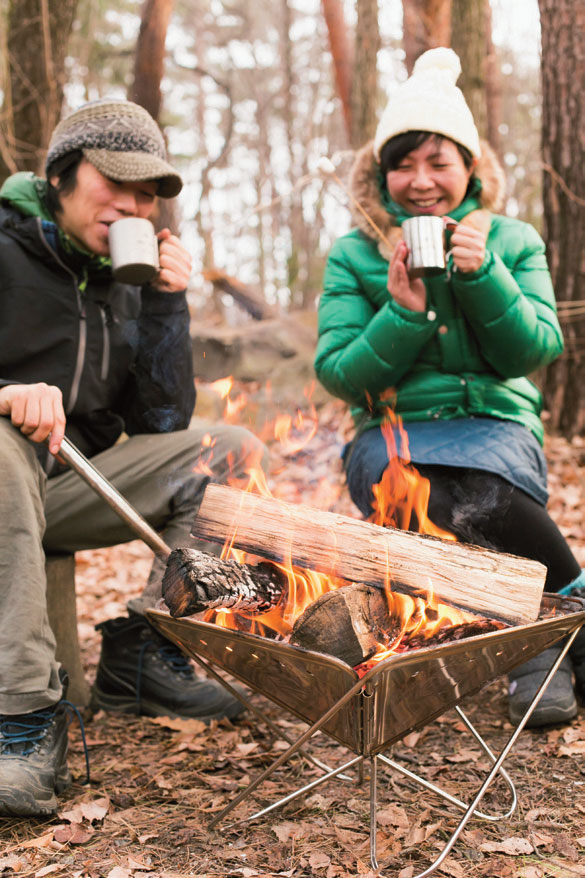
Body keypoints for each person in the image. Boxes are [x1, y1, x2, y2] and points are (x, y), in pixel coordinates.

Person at [0, 99, 268, 817]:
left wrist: (165, 307)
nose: (131, 205)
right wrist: (6, 392)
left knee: (228, 449)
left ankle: (147, 649)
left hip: (68, 483)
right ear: (60, 176)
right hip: (1, 472)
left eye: (146, 193)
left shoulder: (126, 278)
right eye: (112, 183)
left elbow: (159, 420)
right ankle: (22, 722)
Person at [315, 49, 585, 731]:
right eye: (402, 164)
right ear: (381, 174)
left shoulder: (512, 240)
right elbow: (339, 372)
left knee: (486, 487)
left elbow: (535, 350)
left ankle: (536, 643)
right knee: (419, 482)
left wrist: (483, 274)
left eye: (439, 162)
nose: (420, 181)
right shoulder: (353, 254)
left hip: (494, 423)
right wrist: (403, 312)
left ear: (470, 168)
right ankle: (561, 613)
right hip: (391, 432)